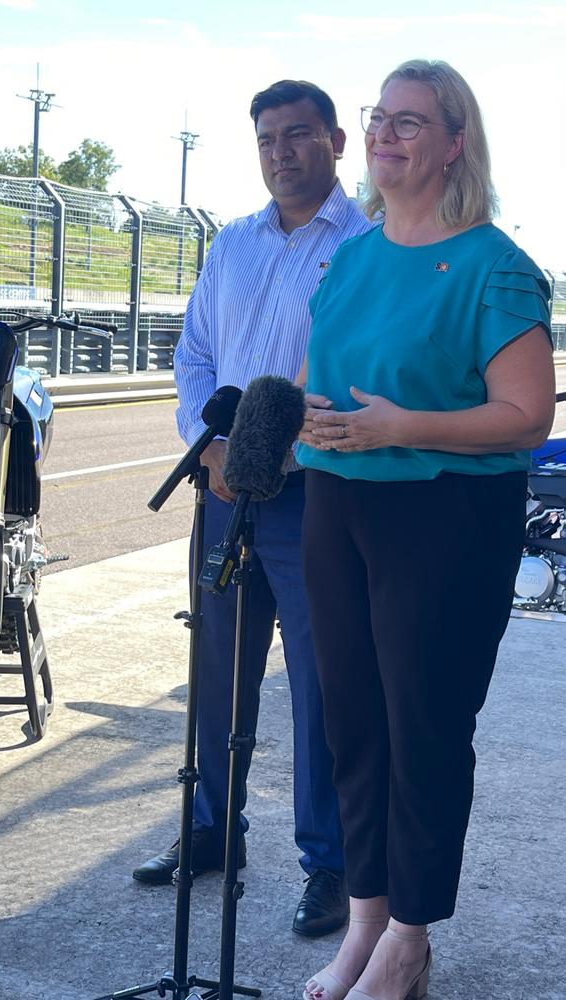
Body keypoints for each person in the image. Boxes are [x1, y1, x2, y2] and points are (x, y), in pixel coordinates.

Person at [297, 60, 555, 999]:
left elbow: (527, 414)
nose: (384, 134)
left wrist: (398, 425)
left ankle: (411, 936)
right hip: (337, 501)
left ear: (455, 143)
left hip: (444, 514)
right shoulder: (355, 253)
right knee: (353, 723)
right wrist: (313, 425)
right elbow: (326, 370)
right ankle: (366, 921)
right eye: (378, 118)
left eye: (410, 121)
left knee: (425, 726)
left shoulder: (496, 264)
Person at [132, 80, 372, 937]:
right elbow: (195, 355)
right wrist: (218, 446)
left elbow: (361, 380)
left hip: (313, 499)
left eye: (300, 135)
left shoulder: (368, 246)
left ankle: (331, 865)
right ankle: (209, 833)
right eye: (268, 137)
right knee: (218, 673)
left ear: (336, 142)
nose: (282, 151)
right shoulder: (230, 244)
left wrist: (279, 449)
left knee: (317, 684)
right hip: (224, 489)